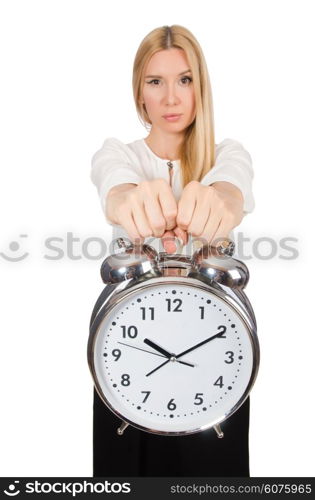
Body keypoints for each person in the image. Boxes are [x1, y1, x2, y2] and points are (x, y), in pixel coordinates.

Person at [90, 25, 254, 477]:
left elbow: (232, 189)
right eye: (155, 82)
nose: (171, 98)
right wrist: (129, 200)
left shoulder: (228, 155)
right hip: (129, 348)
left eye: (184, 80)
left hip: (213, 356)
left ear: (200, 88)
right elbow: (114, 184)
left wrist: (218, 203)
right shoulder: (118, 154)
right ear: (139, 94)